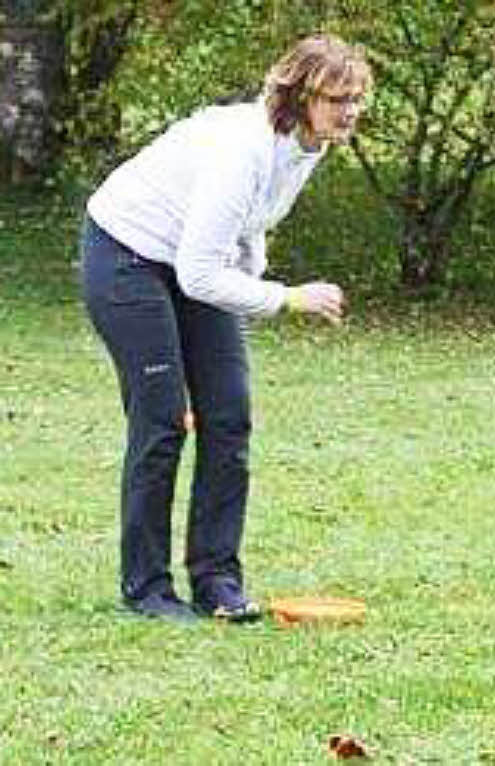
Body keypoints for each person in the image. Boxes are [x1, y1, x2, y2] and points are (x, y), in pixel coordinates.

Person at [80, 35, 371, 622]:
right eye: (337, 97)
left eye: (357, 98)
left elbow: (249, 221)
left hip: (195, 263)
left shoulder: (310, 144)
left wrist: (255, 274)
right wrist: (287, 298)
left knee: (229, 414)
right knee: (163, 419)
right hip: (127, 257)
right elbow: (199, 274)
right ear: (300, 95)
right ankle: (149, 590)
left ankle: (217, 582)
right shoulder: (244, 148)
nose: (350, 111)